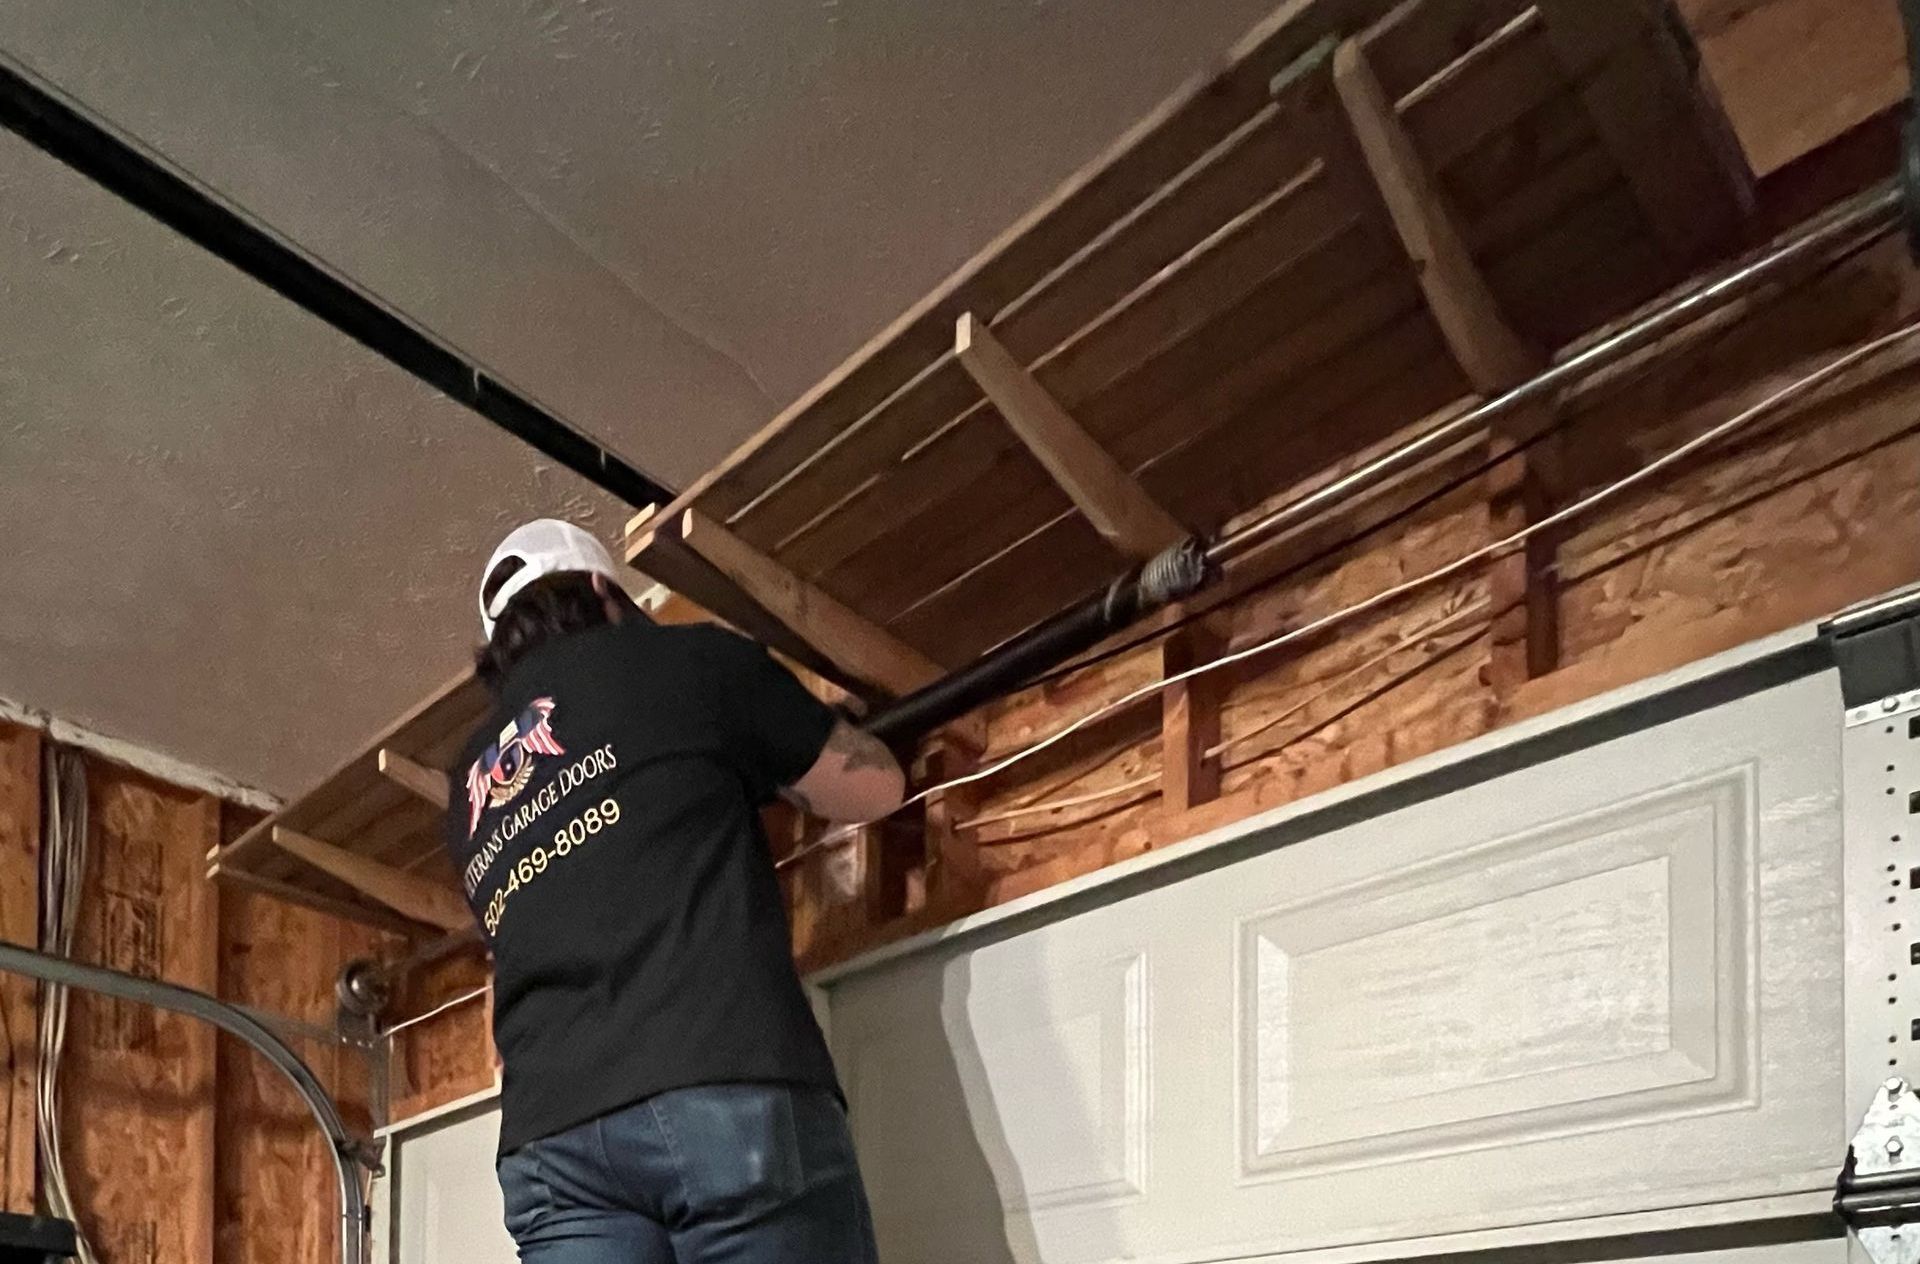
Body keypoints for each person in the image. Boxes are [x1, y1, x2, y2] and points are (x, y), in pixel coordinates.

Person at [443, 518, 902, 1263]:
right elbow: (873, 791)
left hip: (552, 1141)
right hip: (716, 1078)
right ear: (604, 592)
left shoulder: (466, 787)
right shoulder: (684, 661)